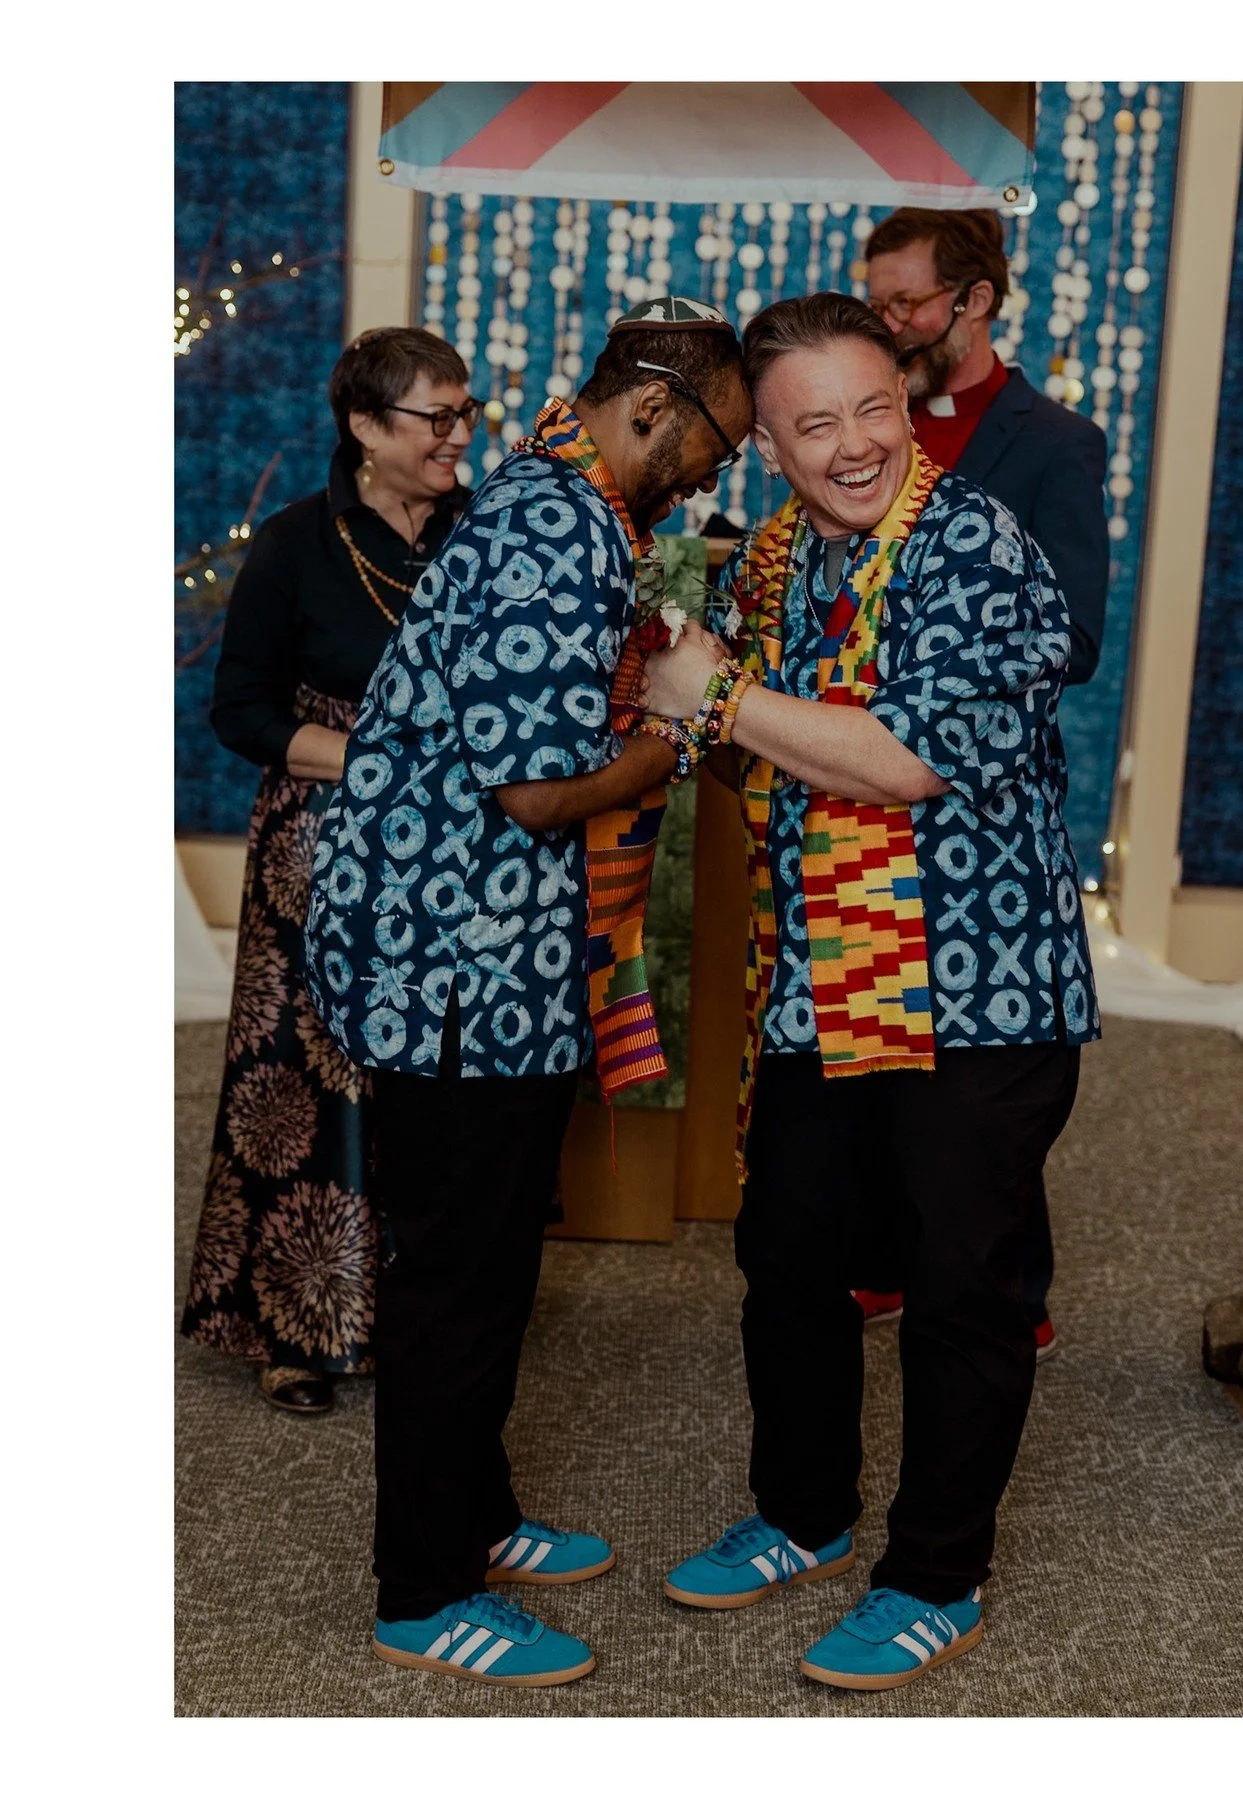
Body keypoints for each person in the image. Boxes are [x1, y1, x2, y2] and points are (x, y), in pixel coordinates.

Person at [647, 293, 1098, 1692]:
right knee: (788, 1255)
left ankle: (935, 1570)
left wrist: (710, 697)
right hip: (823, 976)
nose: (854, 445)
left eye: (873, 408)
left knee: (964, 1285)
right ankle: (803, 1508)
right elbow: (725, 730)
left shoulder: (977, 543)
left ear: (908, 400)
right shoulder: (772, 558)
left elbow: (902, 757)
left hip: (980, 992)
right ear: (768, 444)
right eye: (814, 422)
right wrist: (682, 696)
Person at [303, 296, 754, 1688]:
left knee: (497, 1263)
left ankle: (477, 1511)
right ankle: (422, 1589)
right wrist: (678, 738)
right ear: (654, 408)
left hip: (492, 958)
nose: (715, 475)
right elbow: (537, 787)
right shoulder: (553, 527)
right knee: (459, 1280)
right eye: (717, 445)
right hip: (453, 968)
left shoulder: (564, 508)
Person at [181, 327, 476, 1414]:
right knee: (301, 1083)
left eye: (465, 414)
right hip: (321, 837)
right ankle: (292, 1329)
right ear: (364, 424)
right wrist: (379, 762)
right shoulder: (298, 542)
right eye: (434, 417)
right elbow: (240, 711)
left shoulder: (479, 531)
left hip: (457, 841)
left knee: (432, 1080)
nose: (456, 437)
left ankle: (416, 1309)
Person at [854, 206, 1112, 1356]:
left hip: (982, 803)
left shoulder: (1054, 445)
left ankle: (1015, 1277)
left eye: (908, 302)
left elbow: (1081, 635)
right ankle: (886, 1252)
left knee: (985, 1058)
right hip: (858, 788)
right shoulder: (865, 433)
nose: (891, 324)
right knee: (879, 1034)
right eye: (879, 303)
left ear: (977, 299)